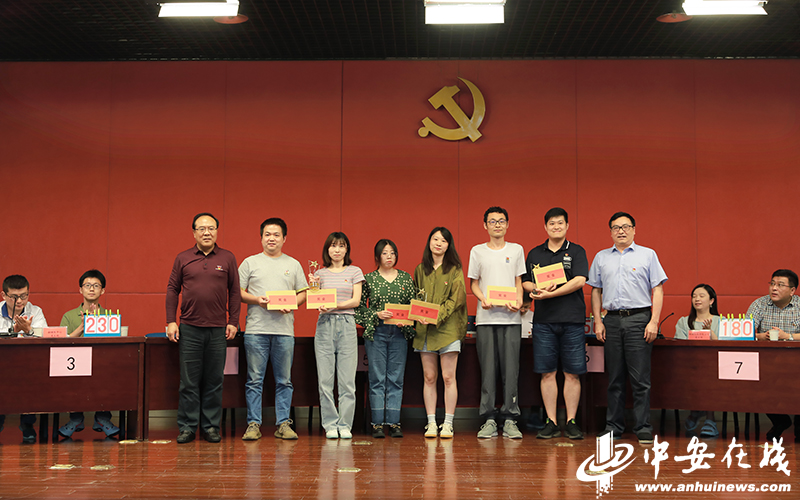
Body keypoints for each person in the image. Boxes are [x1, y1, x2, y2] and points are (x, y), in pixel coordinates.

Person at [588, 211, 667, 444]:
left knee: (640, 379)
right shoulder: (601, 257)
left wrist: (654, 321)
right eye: (616, 227)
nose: (621, 231)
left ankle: (642, 426)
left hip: (639, 319)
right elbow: (595, 291)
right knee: (614, 378)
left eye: (625, 226)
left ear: (634, 229)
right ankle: (613, 426)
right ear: (610, 232)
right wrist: (598, 321)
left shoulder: (648, 255)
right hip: (611, 320)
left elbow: (658, 289)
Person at [166, 213, 241, 444]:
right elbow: (172, 289)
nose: (207, 232)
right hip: (189, 329)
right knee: (188, 382)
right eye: (201, 228)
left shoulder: (227, 257)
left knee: (214, 380)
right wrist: (171, 321)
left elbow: (235, 291)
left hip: (218, 330)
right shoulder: (183, 258)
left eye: (211, 228)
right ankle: (187, 427)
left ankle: (210, 427)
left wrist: (233, 321)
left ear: (217, 231)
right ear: (194, 232)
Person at [522, 207, 588, 440]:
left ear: (567, 226)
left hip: (572, 321)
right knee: (547, 373)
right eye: (552, 223)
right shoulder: (535, 253)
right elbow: (525, 282)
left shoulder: (577, 251)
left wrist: (551, 294)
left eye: (560, 223)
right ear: (545, 227)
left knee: (573, 373)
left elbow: (580, 281)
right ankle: (550, 421)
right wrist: (536, 288)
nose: (556, 227)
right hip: (544, 322)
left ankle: (571, 421)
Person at [239, 218, 307, 442]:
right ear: (261, 238)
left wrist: (293, 304)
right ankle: (253, 424)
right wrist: (257, 300)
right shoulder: (250, 262)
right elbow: (238, 292)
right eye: (267, 234)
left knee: (284, 381)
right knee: (254, 380)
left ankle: (283, 424)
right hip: (256, 330)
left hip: (284, 332)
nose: (271, 238)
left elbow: (303, 293)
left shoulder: (293, 264)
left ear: (284, 238)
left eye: (276, 235)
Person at [468, 207, 525, 439]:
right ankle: (489, 419)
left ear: (507, 224)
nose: (497, 225)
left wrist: (519, 300)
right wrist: (482, 298)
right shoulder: (477, 251)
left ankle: (510, 418)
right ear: (485, 225)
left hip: (511, 319)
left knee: (511, 371)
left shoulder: (516, 249)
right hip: (486, 319)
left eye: (501, 221)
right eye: (492, 221)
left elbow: (518, 281)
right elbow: (473, 283)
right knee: (488, 371)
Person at [355, 239, 415, 438]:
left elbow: (413, 305)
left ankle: (394, 422)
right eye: (385, 253)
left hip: (399, 334)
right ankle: (377, 424)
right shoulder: (369, 279)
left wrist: (406, 320)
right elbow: (359, 308)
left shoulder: (405, 278)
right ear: (377, 256)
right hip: (377, 333)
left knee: (396, 378)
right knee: (377, 378)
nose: (389, 257)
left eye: (392, 253)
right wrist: (376, 314)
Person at [413, 227, 467, 439]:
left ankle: (448, 423)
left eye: (443, 241)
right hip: (425, 330)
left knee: (448, 377)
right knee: (429, 377)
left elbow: (457, 300)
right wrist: (417, 315)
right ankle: (431, 423)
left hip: (448, 329)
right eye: (435, 239)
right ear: (429, 242)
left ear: (448, 245)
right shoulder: (420, 269)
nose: (438, 243)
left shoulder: (455, 269)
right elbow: (416, 297)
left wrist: (436, 316)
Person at [312, 232, 364, 439]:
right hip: (325, 325)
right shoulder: (319, 273)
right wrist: (314, 287)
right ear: (327, 249)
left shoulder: (355, 271)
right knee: (325, 380)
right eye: (333, 246)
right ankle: (330, 424)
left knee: (347, 381)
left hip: (347, 324)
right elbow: (315, 301)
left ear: (346, 249)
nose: (337, 250)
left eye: (341, 246)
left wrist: (334, 305)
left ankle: (345, 424)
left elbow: (356, 301)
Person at [57, 269, 120, 438]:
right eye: (87, 285)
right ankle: (76, 418)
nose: (91, 289)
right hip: (74, 364)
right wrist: (83, 326)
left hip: (101, 364)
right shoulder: (69, 316)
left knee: (110, 373)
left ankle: (102, 418)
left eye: (96, 286)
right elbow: (61, 344)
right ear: (80, 289)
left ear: (103, 290)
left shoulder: (110, 316)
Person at [746, 269, 800, 442]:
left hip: (796, 363)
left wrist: (788, 336)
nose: (774, 288)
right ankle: (780, 420)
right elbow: (744, 333)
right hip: (766, 363)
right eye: (772, 284)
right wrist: (762, 336)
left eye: (780, 285)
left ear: (792, 290)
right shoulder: (759, 304)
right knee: (755, 383)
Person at [0, 274, 47, 443]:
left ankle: (27, 424)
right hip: (2, 364)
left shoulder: (36, 311)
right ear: (4, 295)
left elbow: (45, 339)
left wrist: (29, 331)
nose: (19, 301)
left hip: (28, 365)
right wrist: (13, 332)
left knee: (34, 380)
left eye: (24, 296)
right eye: (14, 297)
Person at [674, 283, 721, 438]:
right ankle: (697, 411)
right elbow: (680, 346)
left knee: (709, 375)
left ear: (712, 301)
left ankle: (709, 419)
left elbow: (725, 347)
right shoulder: (683, 322)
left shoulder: (721, 321)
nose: (697, 299)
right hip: (689, 365)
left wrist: (710, 334)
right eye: (694, 296)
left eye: (701, 296)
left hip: (715, 366)